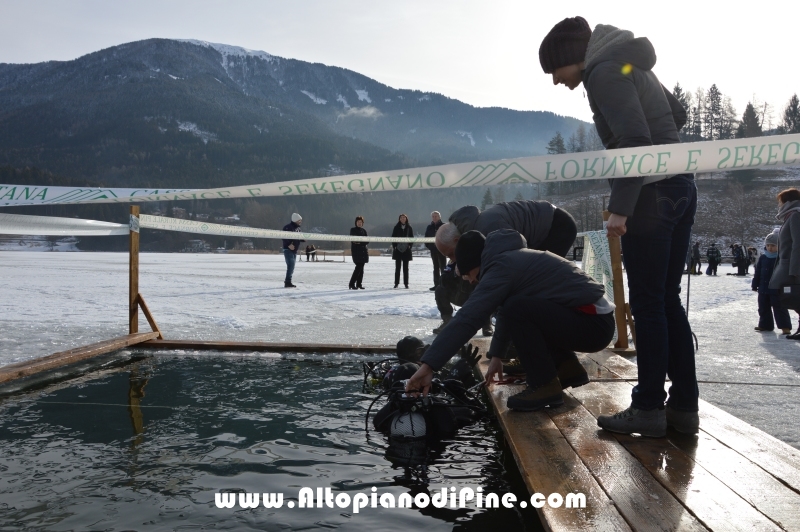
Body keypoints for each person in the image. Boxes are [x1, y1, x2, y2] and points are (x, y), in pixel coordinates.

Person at [540, 17, 698, 436]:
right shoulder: (630, 63)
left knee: (648, 305)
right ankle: (683, 406)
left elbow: (632, 144)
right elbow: (676, 113)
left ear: (572, 58)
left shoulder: (603, 72)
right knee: (666, 302)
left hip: (649, 195)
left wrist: (621, 208)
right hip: (681, 184)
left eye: (555, 71)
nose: (557, 81)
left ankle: (648, 407)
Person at [405, 230, 615, 411]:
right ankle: (567, 368)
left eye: (468, 274)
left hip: (591, 324)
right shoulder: (508, 259)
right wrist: (497, 355)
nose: (470, 280)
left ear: (475, 263)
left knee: (518, 308)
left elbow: (469, 317)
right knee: (517, 306)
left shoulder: (501, 267)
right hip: (592, 321)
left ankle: (543, 385)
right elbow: (507, 311)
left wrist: (429, 365)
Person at [433, 199, 577, 339]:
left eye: (451, 254)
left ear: (457, 241)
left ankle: (542, 337)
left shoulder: (487, 230)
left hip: (557, 226)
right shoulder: (473, 230)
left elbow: (511, 269)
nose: (453, 260)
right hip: (544, 226)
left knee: (533, 287)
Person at [769, 188, 800, 339]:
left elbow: (797, 243)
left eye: (781, 201)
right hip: (788, 264)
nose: (779, 204)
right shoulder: (790, 215)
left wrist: (795, 269)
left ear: (788, 201)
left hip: (791, 266)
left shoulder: (795, 215)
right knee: (792, 297)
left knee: (793, 297)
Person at [752, 230, 791, 334]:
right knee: (763, 308)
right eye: (768, 245)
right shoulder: (763, 258)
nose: (770, 248)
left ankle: (785, 327)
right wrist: (755, 284)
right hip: (763, 288)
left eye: (773, 245)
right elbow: (757, 272)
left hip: (777, 289)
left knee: (780, 308)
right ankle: (765, 325)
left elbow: (785, 274)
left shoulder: (781, 258)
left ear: (779, 245)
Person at [282, 213, 304, 288]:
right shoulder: (287, 227)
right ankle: (287, 282)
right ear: (295, 220)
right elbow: (283, 237)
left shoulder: (298, 229)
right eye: (299, 220)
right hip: (288, 250)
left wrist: (304, 239)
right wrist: (288, 244)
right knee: (290, 266)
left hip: (294, 251)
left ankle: (288, 281)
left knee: (292, 266)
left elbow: (299, 237)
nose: (300, 222)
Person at [425, 211, 446, 291]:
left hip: (442, 250)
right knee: (436, 267)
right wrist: (429, 246)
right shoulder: (429, 227)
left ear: (439, 217)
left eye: (436, 216)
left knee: (443, 267)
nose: (434, 217)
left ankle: (444, 284)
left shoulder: (444, 226)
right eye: (433, 216)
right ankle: (436, 284)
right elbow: (426, 238)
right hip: (433, 250)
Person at [391, 214, 413, 288]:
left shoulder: (409, 228)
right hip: (398, 250)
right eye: (401, 218)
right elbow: (393, 237)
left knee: (406, 268)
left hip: (406, 250)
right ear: (399, 219)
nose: (403, 219)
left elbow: (412, 238)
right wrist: (394, 246)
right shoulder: (396, 227)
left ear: (406, 219)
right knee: (397, 268)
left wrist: (410, 246)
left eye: (404, 218)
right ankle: (396, 283)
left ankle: (406, 284)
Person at [349, 216, 369, 290]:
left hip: (363, 251)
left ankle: (359, 284)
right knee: (358, 267)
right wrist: (361, 242)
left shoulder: (364, 231)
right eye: (358, 222)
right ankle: (351, 283)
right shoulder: (353, 230)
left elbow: (367, 241)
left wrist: (360, 242)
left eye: (361, 222)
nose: (359, 223)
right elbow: (353, 240)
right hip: (356, 251)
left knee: (361, 268)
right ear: (356, 223)